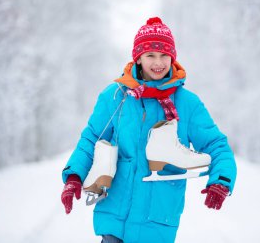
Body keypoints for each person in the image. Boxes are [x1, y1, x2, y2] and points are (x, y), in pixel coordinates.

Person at [61, 17, 237, 243]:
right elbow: (91, 138)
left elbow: (216, 145)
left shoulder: (186, 103)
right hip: (114, 216)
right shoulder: (116, 97)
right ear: (138, 58)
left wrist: (221, 180)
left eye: (164, 55)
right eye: (150, 55)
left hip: (157, 220)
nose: (158, 62)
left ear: (172, 58)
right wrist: (74, 176)